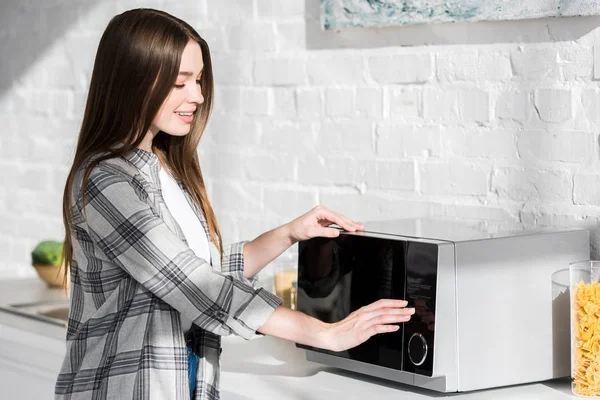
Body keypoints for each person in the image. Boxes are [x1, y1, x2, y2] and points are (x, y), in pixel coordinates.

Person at [55, 8, 415, 400]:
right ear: (134, 82)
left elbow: (199, 269)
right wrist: (326, 333)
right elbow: (194, 285)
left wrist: (289, 233)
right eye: (181, 83)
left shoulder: (164, 167)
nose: (198, 95)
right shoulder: (107, 182)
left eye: (199, 80)